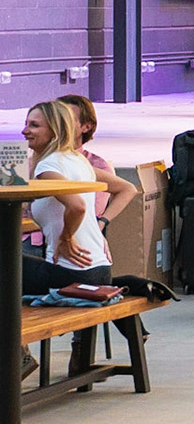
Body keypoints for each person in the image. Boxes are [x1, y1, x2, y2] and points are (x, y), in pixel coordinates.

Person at [20, 100, 135, 293]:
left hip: (68, 274)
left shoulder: (48, 166)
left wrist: (66, 238)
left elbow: (77, 206)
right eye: (26, 124)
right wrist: (98, 225)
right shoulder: (77, 161)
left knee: (7, 264)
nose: (25, 131)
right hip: (100, 270)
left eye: (34, 125)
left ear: (55, 130)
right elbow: (126, 187)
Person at [55, 93, 114, 218]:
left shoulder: (97, 166)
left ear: (86, 127)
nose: (58, 124)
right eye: (55, 118)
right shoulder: (32, 163)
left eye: (66, 119)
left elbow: (90, 212)